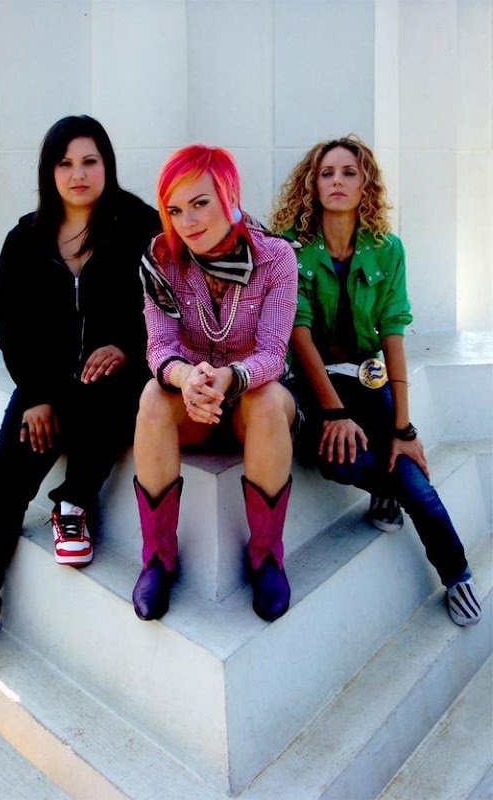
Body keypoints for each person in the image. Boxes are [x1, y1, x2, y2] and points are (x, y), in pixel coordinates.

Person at [0, 115, 160, 663]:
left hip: (114, 378)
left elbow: (165, 303)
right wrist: (35, 395)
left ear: (107, 165)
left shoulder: (138, 225)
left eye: (90, 161)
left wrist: (128, 346)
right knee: (3, 483)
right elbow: (10, 325)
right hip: (46, 385)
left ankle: (74, 501)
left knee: (121, 388)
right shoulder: (25, 239)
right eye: (65, 163)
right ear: (49, 172)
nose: (78, 174)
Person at [270, 134, 481, 627]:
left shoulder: (388, 250)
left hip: (370, 380)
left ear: (366, 184)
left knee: (413, 478)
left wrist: (404, 428)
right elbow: (298, 332)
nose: (337, 182)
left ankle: (457, 575)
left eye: (349, 172)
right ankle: (386, 489)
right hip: (316, 385)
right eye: (327, 173)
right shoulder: (289, 250)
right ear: (311, 184)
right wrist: (334, 413)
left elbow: (393, 333)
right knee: (338, 459)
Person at [132, 144, 299, 623]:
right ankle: (158, 559)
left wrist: (229, 378)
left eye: (200, 203)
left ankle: (266, 558)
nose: (187, 222)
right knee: (152, 396)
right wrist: (187, 377)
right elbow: (159, 348)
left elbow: (273, 352)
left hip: (250, 404)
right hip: (194, 404)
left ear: (229, 196)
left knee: (266, 400)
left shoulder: (275, 259)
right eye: (174, 210)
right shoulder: (162, 261)